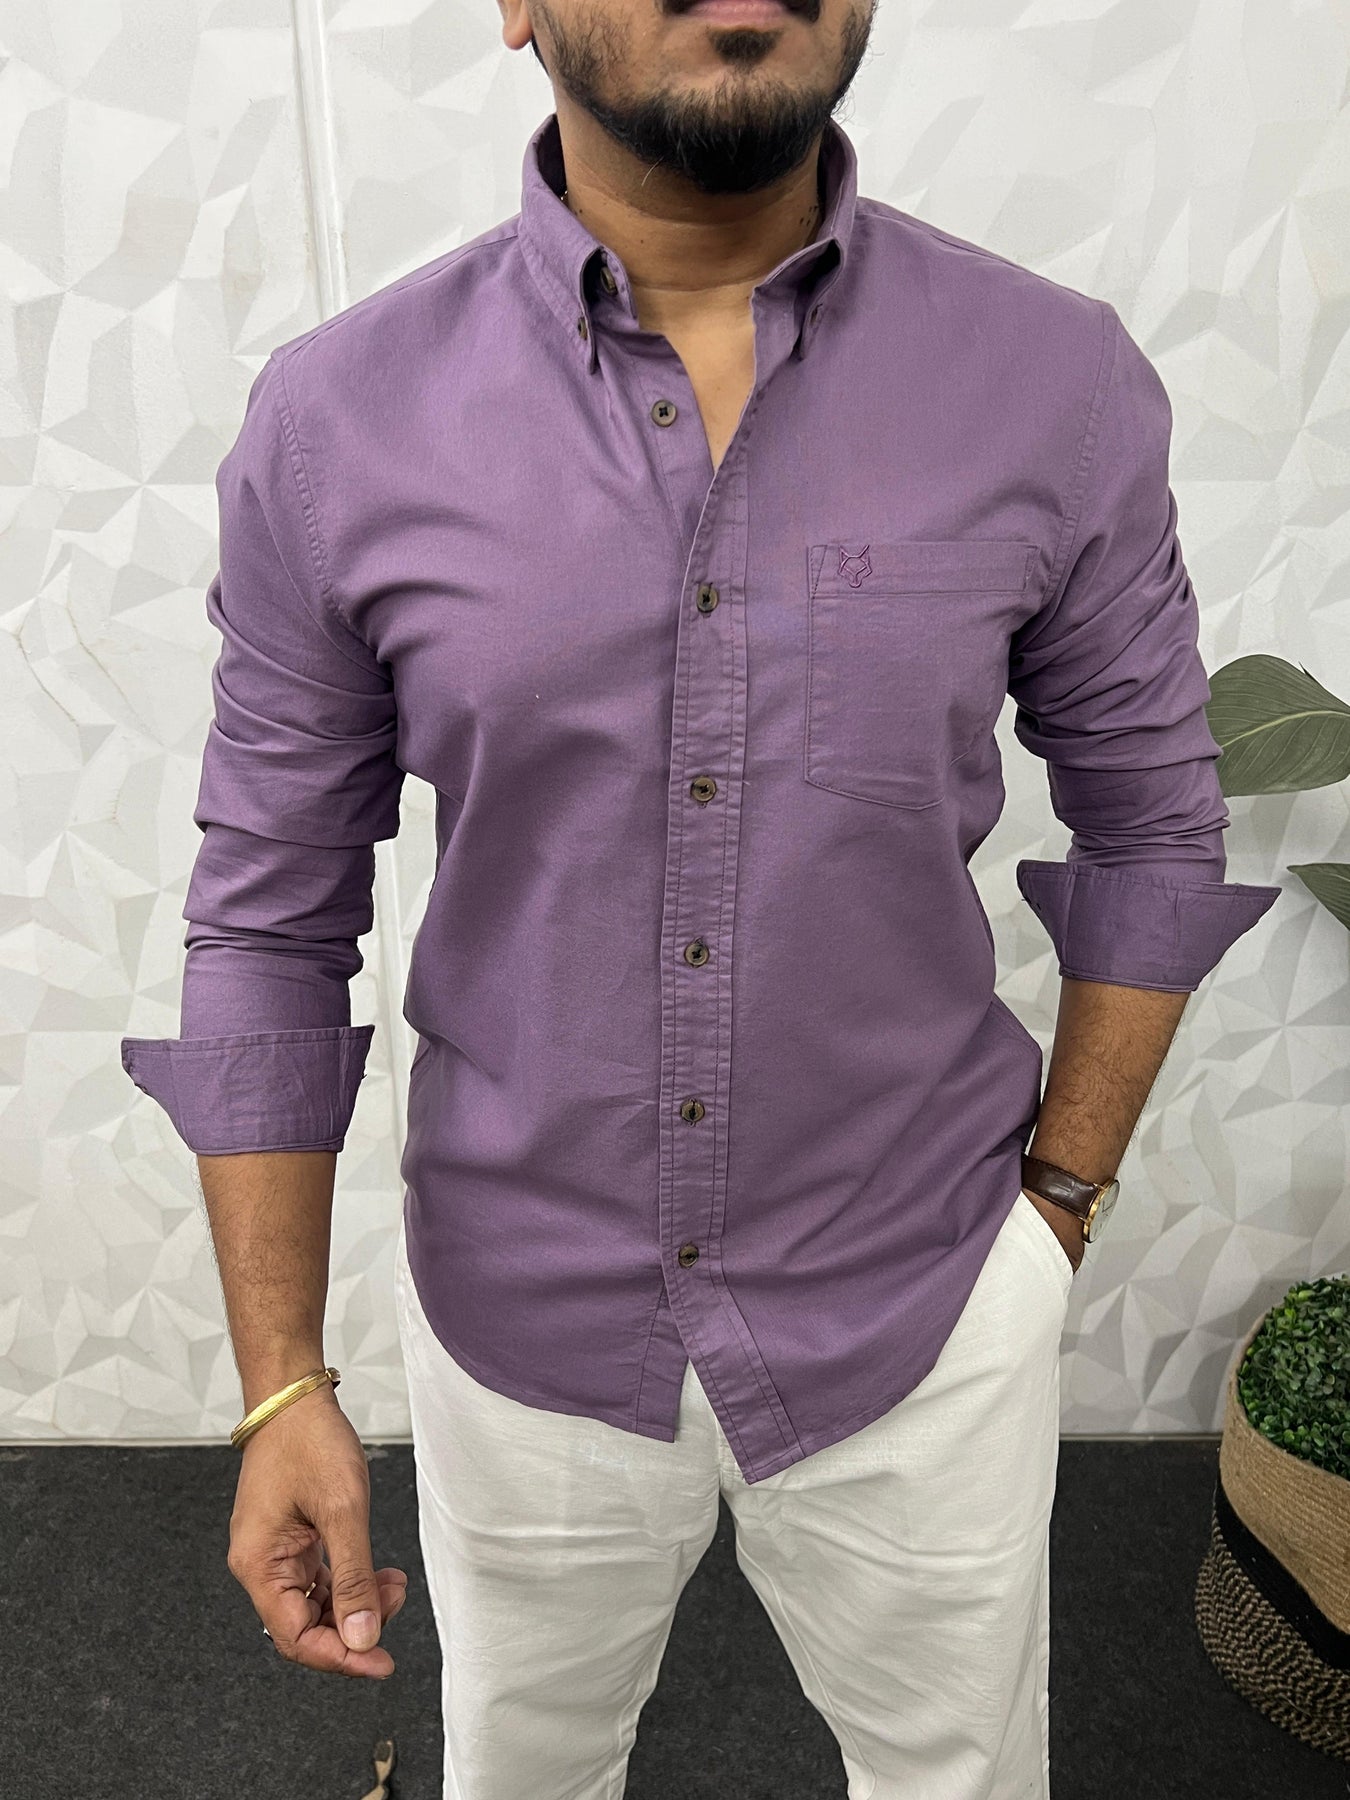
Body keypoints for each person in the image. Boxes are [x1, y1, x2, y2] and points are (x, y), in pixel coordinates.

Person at [119, 0, 1282, 1794]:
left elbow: (1150, 821)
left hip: (921, 1295)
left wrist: (1053, 1209)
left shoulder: (1052, 382)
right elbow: (270, 916)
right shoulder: (338, 422)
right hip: (520, 1318)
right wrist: (283, 1378)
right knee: (528, 1770)